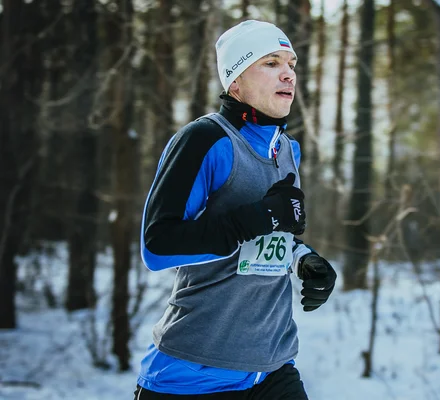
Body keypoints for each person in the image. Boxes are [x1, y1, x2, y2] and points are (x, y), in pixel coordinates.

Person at [134, 20, 337, 400]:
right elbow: (158, 246)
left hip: (272, 369)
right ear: (235, 81)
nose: (288, 74)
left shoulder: (288, 150)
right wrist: (261, 217)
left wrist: (302, 258)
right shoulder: (205, 140)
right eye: (271, 62)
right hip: (194, 375)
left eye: (291, 63)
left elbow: (270, 236)